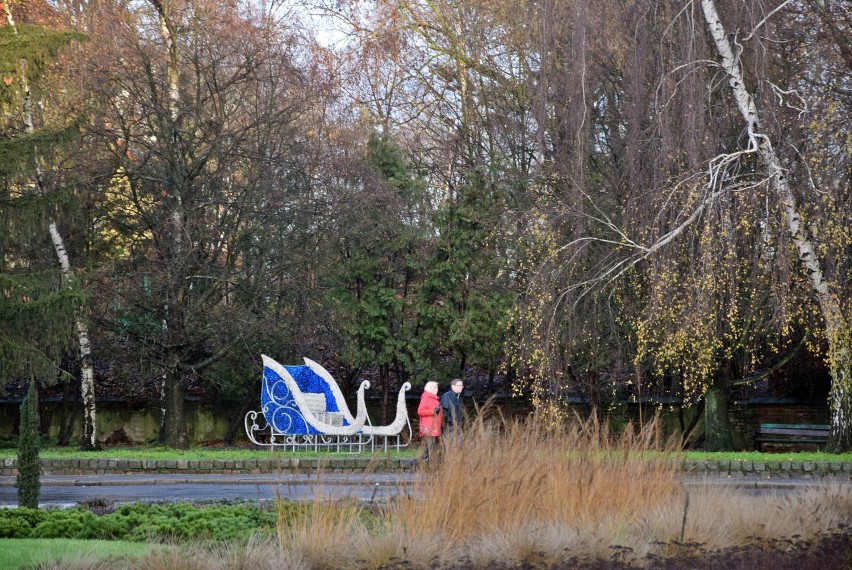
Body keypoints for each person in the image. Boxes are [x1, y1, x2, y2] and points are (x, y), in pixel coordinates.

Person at [416, 381, 442, 468]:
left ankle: (415, 465)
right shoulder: (426, 397)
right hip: (429, 428)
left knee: (428, 450)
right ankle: (432, 468)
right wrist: (433, 411)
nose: (436, 389)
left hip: (434, 428)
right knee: (431, 449)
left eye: (437, 387)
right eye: (434, 387)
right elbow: (420, 411)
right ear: (429, 388)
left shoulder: (434, 398)